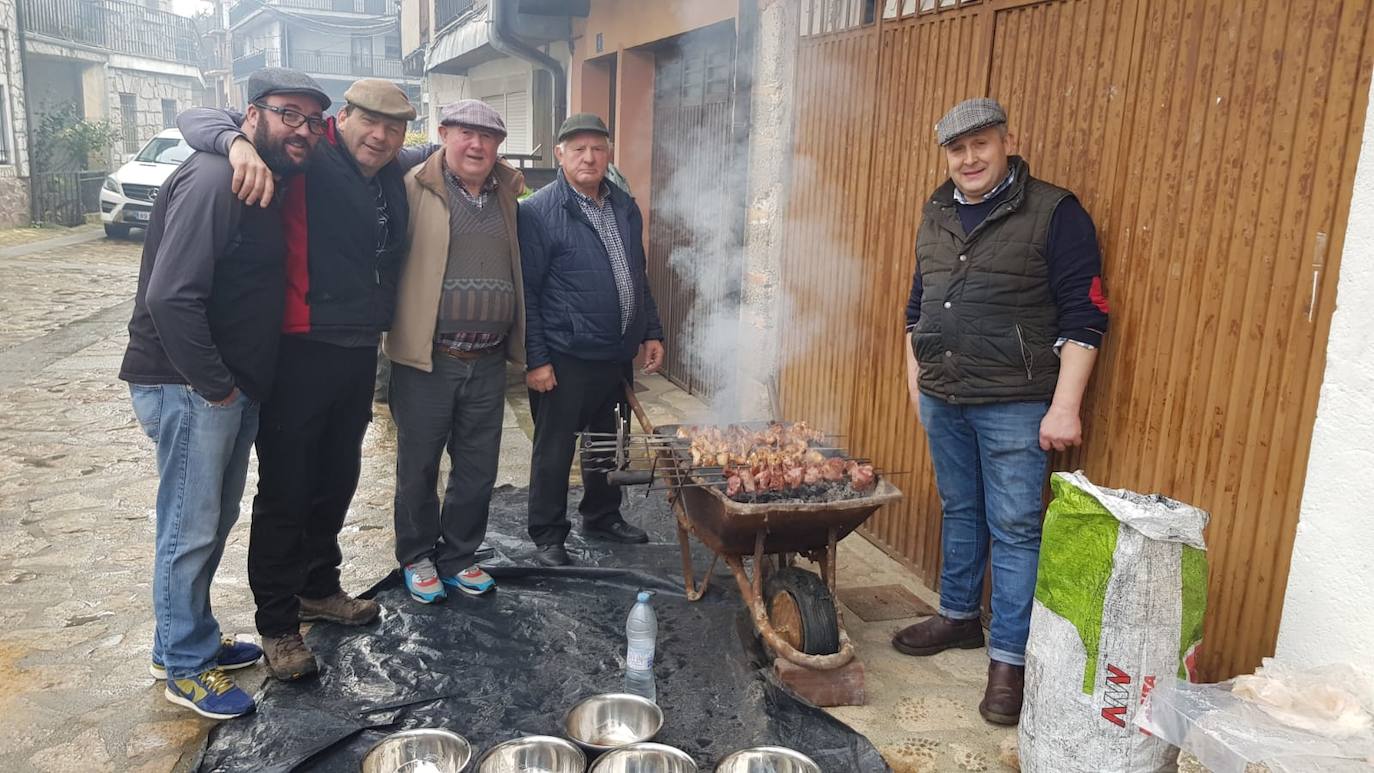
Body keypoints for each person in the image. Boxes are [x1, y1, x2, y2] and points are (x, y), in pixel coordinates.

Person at [176, 79, 416, 681]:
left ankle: (319, 587)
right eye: (371, 122)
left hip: (359, 348)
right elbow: (198, 117)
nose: (382, 136)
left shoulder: (388, 171)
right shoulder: (304, 155)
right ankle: (279, 625)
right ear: (344, 120)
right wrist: (236, 144)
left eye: (395, 128)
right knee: (288, 488)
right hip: (298, 347)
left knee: (338, 477)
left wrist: (503, 178)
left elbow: (456, 154)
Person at [892, 98, 1109, 725]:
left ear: (1007, 141)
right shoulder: (936, 211)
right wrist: (916, 382)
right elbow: (918, 306)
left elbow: (1086, 312)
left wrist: (1064, 404)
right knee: (961, 510)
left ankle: (1009, 659)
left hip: (1016, 401)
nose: (969, 159)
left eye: (980, 144)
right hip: (945, 396)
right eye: (957, 149)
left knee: (1015, 528)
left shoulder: (1055, 211)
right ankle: (959, 616)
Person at [120, 68, 328, 718]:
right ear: (251, 115)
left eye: (310, 119)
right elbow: (169, 295)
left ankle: (184, 641)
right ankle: (185, 666)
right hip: (191, 385)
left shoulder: (262, 174)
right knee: (188, 527)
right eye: (288, 113)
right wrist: (213, 386)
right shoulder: (217, 179)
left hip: (224, 387)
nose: (301, 128)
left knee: (209, 520)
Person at [382, 99, 527, 603]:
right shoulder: (412, 188)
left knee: (477, 466)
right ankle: (418, 555)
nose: (476, 144)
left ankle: (460, 555)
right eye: (465, 133)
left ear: (498, 147)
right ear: (442, 133)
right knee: (419, 465)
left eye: (488, 137)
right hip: (428, 358)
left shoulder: (507, 193)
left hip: (487, 360)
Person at [518, 113, 666, 568]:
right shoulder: (538, 211)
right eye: (578, 148)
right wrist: (537, 359)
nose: (589, 157)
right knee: (555, 447)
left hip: (615, 353)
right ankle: (547, 535)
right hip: (565, 356)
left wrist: (651, 330)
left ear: (608, 153)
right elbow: (528, 291)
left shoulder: (623, 205)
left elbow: (635, 274)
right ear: (560, 154)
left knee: (608, 442)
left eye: (597, 148)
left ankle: (601, 515)